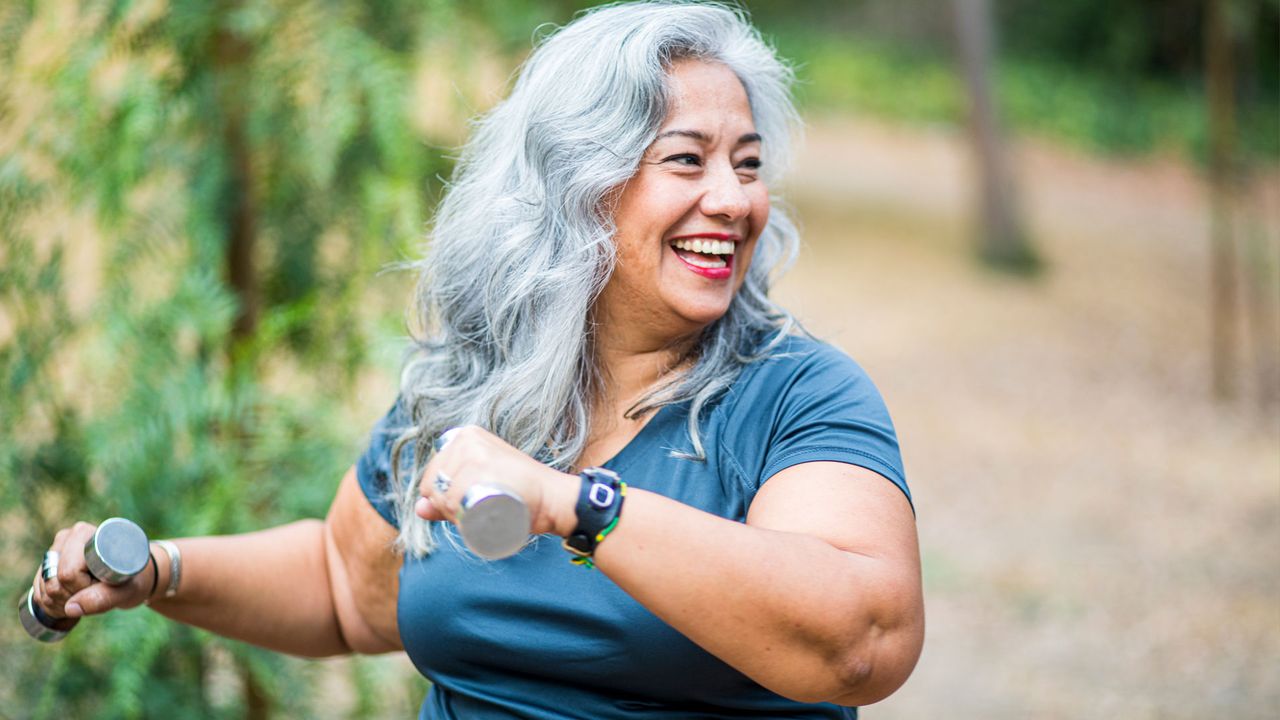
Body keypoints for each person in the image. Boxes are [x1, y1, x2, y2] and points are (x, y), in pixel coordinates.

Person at [29, 2, 924, 717]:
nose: (733, 200)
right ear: (577, 186)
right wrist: (157, 572)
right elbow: (348, 587)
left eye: (748, 163)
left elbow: (860, 642)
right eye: (687, 161)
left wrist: (576, 507)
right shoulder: (475, 381)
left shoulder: (797, 395)